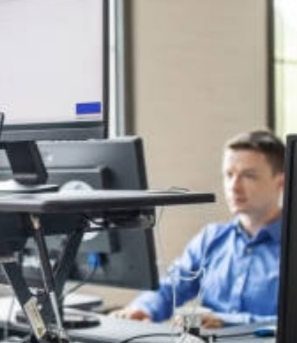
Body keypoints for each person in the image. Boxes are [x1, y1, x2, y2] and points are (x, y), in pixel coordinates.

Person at [113, 130, 285, 328]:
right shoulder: (211, 238)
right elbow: (171, 287)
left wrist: (226, 322)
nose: (234, 186)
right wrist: (143, 309)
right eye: (229, 175)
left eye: (248, 176)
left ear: (280, 182)